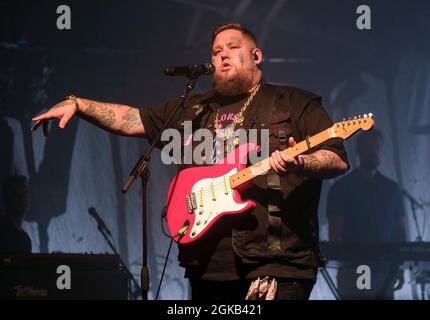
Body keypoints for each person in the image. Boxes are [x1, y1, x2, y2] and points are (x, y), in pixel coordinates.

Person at [32, 23, 349, 300]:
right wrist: (79, 104)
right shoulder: (193, 109)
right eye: (215, 51)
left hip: (275, 263)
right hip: (207, 263)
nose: (222, 55)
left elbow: (336, 158)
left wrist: (302, 163)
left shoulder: (294, 102)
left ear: (256, 56)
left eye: (233, 47)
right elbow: (131, 119)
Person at [327, 128, 408, 299]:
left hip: (383, 269)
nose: (374, 152)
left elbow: (400, 232)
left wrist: (398, 267)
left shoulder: (391, 188)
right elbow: (335, 234)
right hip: (353, 268)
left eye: (377, 148)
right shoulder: (342, 188)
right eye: (369, 148)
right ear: (359, 151)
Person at [0, 175, 32, 254]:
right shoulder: (2, 231)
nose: (22, 199)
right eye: (16, 195)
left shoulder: (25, 239)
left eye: (24, 193)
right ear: (6, 199)